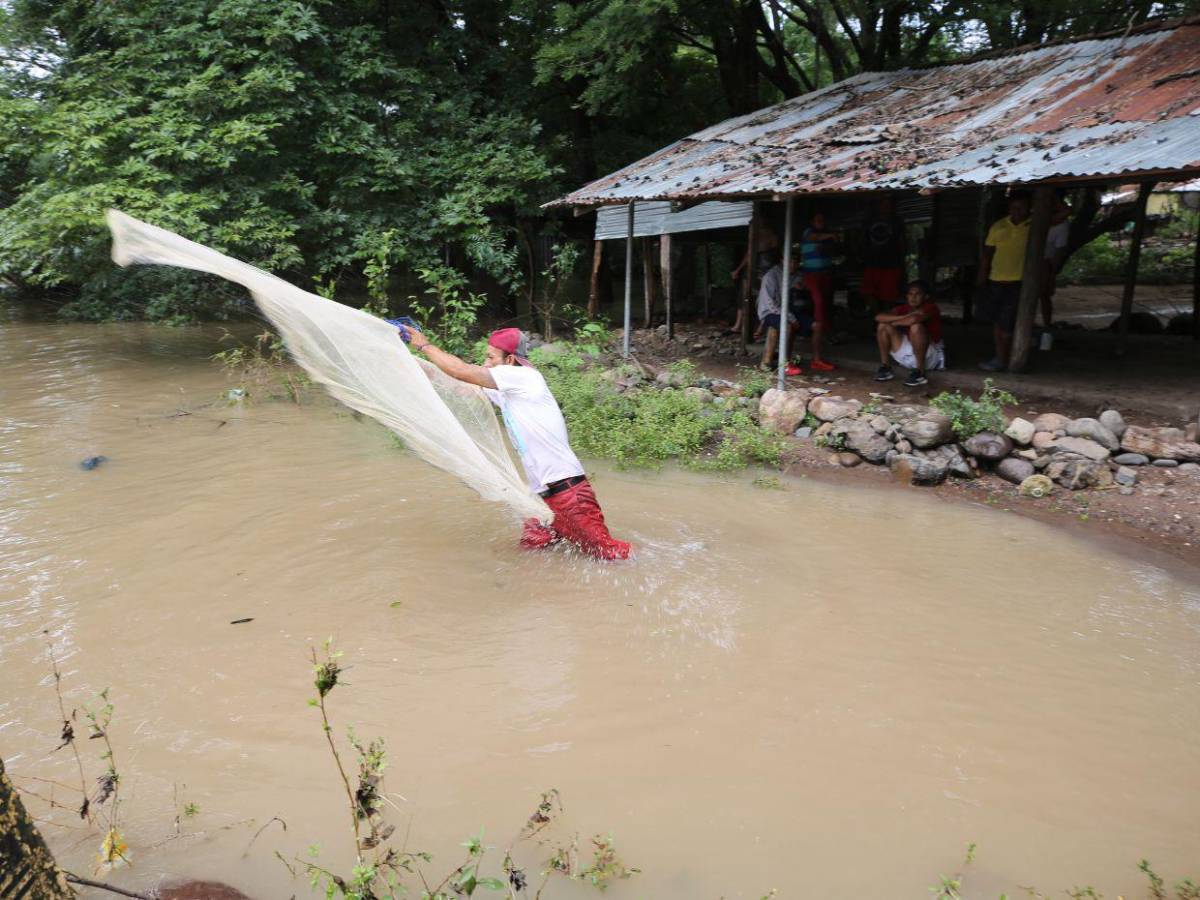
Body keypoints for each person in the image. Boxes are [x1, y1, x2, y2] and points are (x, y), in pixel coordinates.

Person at [399, 325, 632, 560]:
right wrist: (404, 358)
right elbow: (460, 385)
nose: (486, 363)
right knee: (532, 550)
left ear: (510, 360)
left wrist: (424, 345)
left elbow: (461, 371)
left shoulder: (525, 377)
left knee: (609, 554)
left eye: (491, 357)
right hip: (541, 498)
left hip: (568, 492)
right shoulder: (510, 389)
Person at [977, 193, 1031, 371]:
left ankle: (1005, 358)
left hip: (1018, 281)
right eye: (1014, 207)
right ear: (1009, 209)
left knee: (1007, 323)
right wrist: (982, 278)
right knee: (998, 322)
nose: (1017, 211)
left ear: (1028, 208)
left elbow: (1065, 212)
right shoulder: (998, 226)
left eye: (1021, 207)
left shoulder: (1033, 225)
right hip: (996, 280)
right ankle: (1001, 357)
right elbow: (987, 255)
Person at [873, 279, 945, 387]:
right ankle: (885, 367)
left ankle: (920, 373)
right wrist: (904, 316)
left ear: (925, 297)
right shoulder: (904, 308)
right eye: (910, 294)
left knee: (916, 327)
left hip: (929, 357)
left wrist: (894, 322)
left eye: (917, 294)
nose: (913, 297)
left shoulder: (930, 307)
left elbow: (913, 320)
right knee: (882, 325)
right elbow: (878, 317)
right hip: (907, 355)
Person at [755, 249, 809, 376]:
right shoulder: (771, 276)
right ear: (782, 261)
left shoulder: (794, 275)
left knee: (799, 324)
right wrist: (790, 317)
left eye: (796, 262)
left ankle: (786, 360)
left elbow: (801, 281)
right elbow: (770, 304)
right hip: (768, 312)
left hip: (785, 311)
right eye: (790, 261)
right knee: (787, 326)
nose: (793, 265)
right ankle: (783, 365)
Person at [800, 212, 838, 371]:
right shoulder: (808, 233)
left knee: (826, 304)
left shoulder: (826, 238)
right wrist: (830, 235)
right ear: (812, 221)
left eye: (823, 219)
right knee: (819, 305)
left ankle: (825, 332)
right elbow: (814, 239)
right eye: (818, 219)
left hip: (825, 274)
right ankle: (817, 350)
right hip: (812, 275)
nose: (821, 222)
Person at [860, 195, 906, 313]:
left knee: (888, 296)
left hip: (891, 263)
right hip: (871, 262)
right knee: (867, 293)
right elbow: (862, 240)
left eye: (888, 204)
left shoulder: (897, 221)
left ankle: (885, 320)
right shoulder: (869, 220)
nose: (885, 206)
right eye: (883, 203)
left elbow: (902, 242)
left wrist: (901, 262)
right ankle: (879, 316)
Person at [1040, 196, 1071, 329]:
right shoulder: (1040, 218)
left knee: (1044, 295)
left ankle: (1046, 325)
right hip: (1031, 260)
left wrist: (1052, 273)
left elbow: (1059, 252)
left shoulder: (1062, 226)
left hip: (1045, 262)